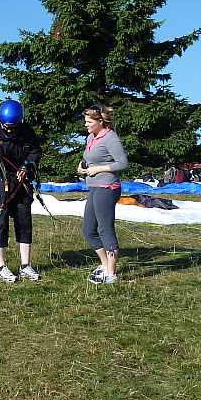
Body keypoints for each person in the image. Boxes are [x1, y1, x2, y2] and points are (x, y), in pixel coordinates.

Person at [0, 99, 42, 283]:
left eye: (13, 127)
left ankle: (25, 266)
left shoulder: (27, 132)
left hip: (21, 182)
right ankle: (1, 267)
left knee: (24, 222)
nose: (9, 130)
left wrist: (27, 166)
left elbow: (36, 152)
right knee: (0, 222)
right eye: (6, 127)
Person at [78, 105, 129, 283]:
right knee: (88, 230)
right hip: (94, 187)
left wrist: (99, 169)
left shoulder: (110, 138)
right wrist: (82, 166)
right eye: (85, 121)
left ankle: (111, 274)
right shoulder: (91, 137)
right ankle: (105, 265)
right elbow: (89, 158)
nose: (86, 124)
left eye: (89, 122)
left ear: (100, 121)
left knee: (105, 229)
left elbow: (122, 163)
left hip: (107, 188)